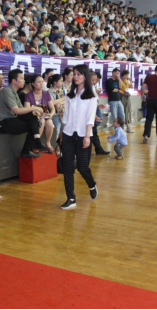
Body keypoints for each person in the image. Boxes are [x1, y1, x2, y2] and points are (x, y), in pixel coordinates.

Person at [60, 65, 98, 210]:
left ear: (85, 76)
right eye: (74, 74)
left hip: (83, 135)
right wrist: (62, 134)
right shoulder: (70, 95)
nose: (75, 77)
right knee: (67, 167)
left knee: (82, 167)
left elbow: (90, 118)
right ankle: (71, 198)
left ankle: (92, 184)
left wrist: (87, 136)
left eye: (79, 74)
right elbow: (65, 116)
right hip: (68, 134)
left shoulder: (91, 96)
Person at [0, 69, 50, 158]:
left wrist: (33, 111)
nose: (24, 81)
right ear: (14, 81)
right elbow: (17, 111)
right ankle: (29, 148)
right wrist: (34, 107)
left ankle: (36, 143)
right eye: (22, 78)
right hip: (3, 123)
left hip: (12, 119)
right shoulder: (7, 91)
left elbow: (22, 109)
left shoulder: (14, 92)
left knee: (33, 117)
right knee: (33, 124)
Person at [24, 75, 55, 153]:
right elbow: (26, 109)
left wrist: (51, 114)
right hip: (34, 116)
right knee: (42, 121)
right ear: (33, 84)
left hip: (45, 115)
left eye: (42, 82)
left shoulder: (46, 93)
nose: (41, 84)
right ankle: (36, 143)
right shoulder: (28, 95)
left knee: (49, 122)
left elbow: (52, 108)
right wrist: (38, 113)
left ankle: (48, 143)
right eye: (39, 82)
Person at [89, 72, 110, 156]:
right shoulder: (84, 89)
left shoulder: (92, 87)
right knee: (92, 131)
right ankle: (97, 149)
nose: (95, 82)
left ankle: (98, 149)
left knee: (94, 131)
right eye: (93, 80)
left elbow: (93, 100)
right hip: (88, 114)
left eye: (95, 80)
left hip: (93, 111)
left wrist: (98, 105)